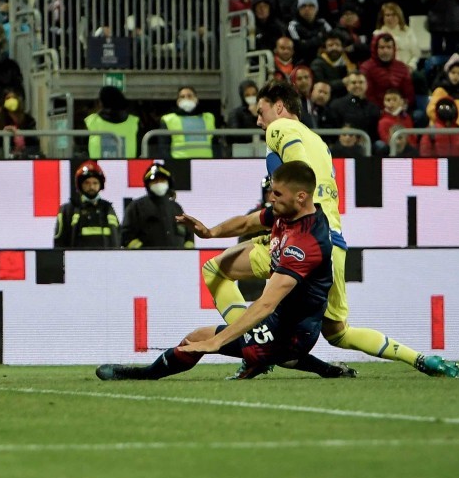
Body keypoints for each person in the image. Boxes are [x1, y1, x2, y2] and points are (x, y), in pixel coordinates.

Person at [183, 82, 459, 378]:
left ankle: (253, 344)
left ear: (279, 106)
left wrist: (295, 202)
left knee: (215, 270)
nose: (259, 120)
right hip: (333, 242)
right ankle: (422, 360)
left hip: (301, 237)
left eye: (261, 111)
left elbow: (299, 170)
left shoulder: (280, 128)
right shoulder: (319, 142)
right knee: (339, 332)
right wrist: (216, 231)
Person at [97, 161, 358, 382]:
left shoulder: (305, 244)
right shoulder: (289, 212)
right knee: (276, 353)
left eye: (277, 194)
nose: (271, 198)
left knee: (198, 338)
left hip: (293, 333)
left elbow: (266, 303)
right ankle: (327, 370)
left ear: (300, 196)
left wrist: (217, 342)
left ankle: (142, 375)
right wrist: (210, 232)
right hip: (282, 323)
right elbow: (246, 223)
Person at [120, 162, 194, 249]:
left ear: (168, 183)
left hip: (177, 257)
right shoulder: (136, 207)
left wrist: (185, 253)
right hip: (146, 257)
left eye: (162, 180)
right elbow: (126, 236)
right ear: (148, 185)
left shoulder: (177, 208)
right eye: (155, 181)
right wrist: (144, 252)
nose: (158, 183)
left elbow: (189, 237)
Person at [54, 160, 120, 248]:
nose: (91, 187)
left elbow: (117, 238)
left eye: (95, 183)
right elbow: (59, 243)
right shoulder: (68, 210)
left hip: (106, 257)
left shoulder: (108, 208)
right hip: (76, 257)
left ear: (101, 185)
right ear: (80, 185)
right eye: (87, 183)